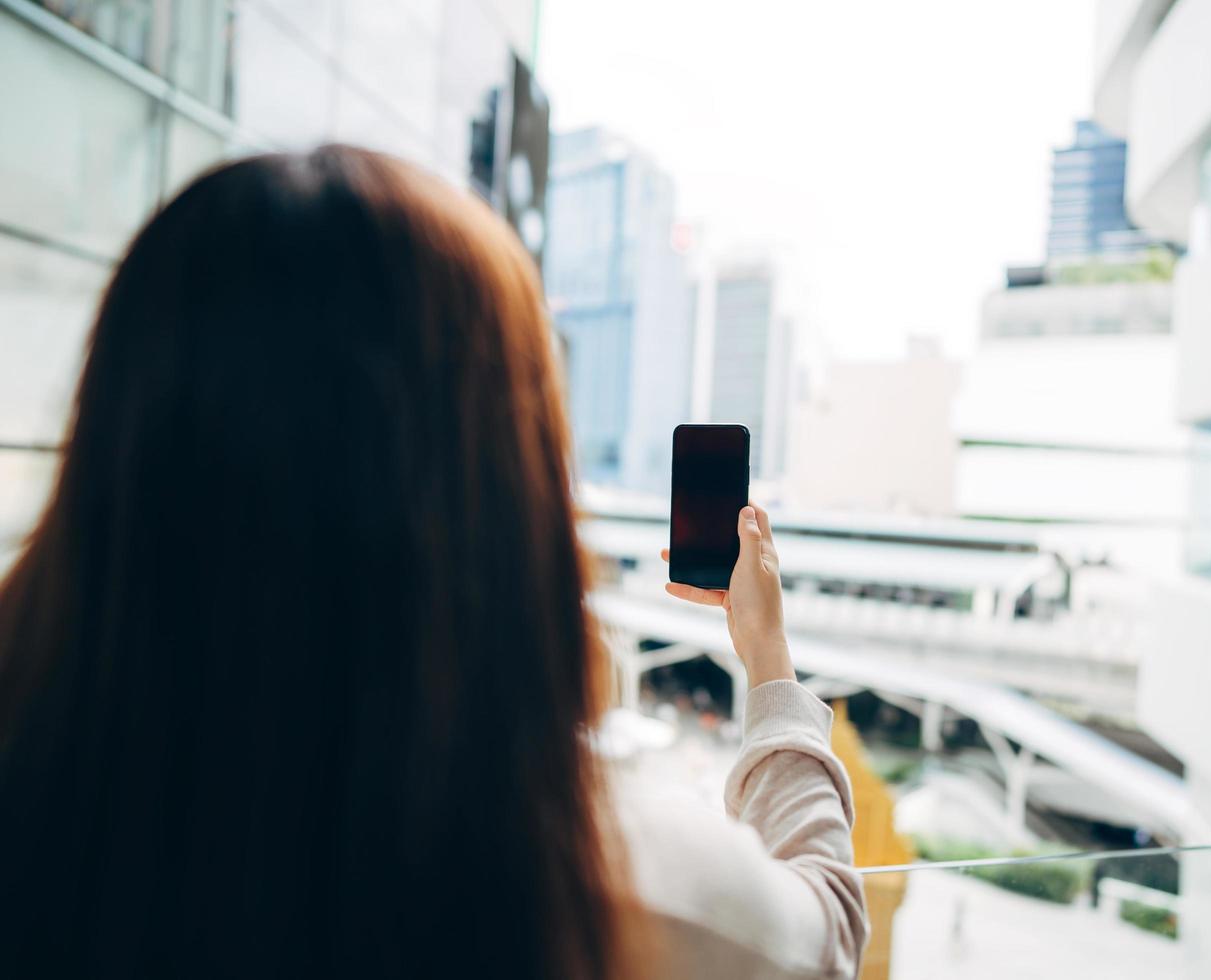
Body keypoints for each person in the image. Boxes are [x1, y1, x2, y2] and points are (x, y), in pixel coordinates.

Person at [0, 146, 865, 978]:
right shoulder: (616, 889)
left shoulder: (50, 820)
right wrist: (768, 660)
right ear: (502, 509)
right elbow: (826, 929)